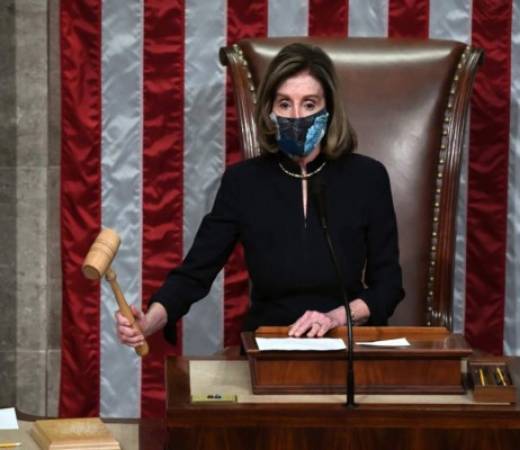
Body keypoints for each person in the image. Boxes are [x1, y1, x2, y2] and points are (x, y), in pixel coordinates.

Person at [117, 42, 404, 349]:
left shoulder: (367, 177)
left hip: (347, 343)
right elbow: (194, 273)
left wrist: (335, 318)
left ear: (329, 110)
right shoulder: (243, 182)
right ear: (270, 112)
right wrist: (150, 320)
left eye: (309, 104)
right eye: (284, 104)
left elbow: (387, 286)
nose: (296, 116)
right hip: (270, 345)